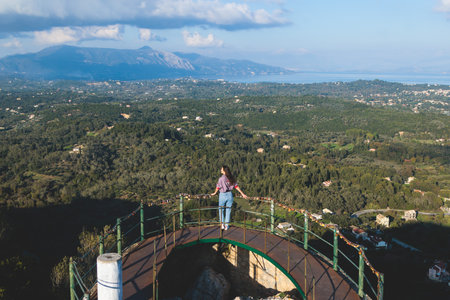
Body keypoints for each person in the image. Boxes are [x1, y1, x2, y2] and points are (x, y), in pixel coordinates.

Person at [211, 165, 248, 230]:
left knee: (221, 209)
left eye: (221, 169)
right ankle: (226, 226)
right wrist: (242, 194)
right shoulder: (231, 178)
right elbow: (236, 186)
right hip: (230, 195)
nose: (220, 170)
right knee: (228, 210)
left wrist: (214, 193)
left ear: (224, 171)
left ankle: (222, 224)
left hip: (222, 194)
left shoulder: (221, 179)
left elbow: (218, 187)